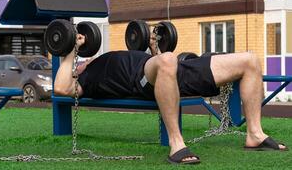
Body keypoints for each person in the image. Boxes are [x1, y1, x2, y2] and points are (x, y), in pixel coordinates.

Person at [54, 33, 287, 165]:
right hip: (145, 78)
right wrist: (71, 50)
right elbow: (61, 87)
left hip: (176, 69)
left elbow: (161, 64)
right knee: (167, 60)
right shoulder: (90, 78)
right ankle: (177, 144)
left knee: (250, 60)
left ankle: (255, 134)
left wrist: (153, 47)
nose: (84, 61)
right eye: (78, 64)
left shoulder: (105, 58)